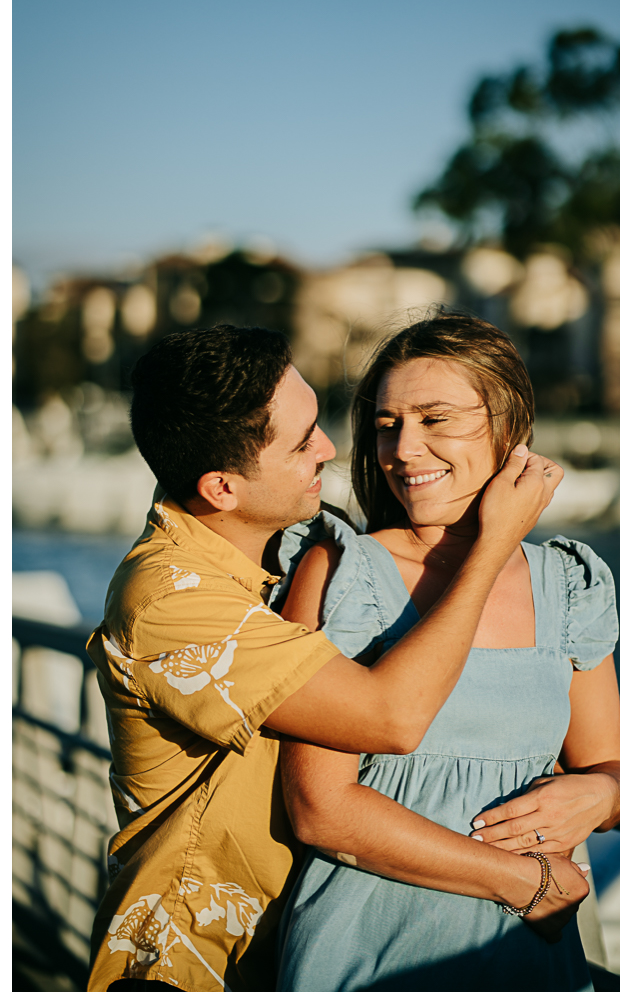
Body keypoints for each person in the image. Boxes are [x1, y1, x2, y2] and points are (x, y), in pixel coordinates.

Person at [85, 323, 562, 992]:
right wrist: (493, 546)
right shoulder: (174, 601)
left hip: (282, 946)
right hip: (191, 963)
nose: (332, 448)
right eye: (304, 439)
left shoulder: (266, 554)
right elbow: (390, 718)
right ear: (223, 488)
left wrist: (602, 788)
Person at [275, 311, 620, 992]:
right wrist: (525, 883)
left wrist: (601, 794)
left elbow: (614, 768)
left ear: (510, 430)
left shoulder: (567, 583)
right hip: (371, 957)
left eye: (435, 419)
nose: (403, 450)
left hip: (532, 962)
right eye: (387, 425)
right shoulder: (341, 574)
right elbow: (320, 809)